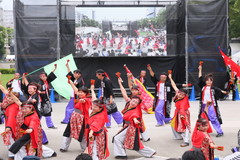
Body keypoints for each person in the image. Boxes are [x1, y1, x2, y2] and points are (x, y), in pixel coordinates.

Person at [113, 77, 156, 159]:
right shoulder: (130, 101)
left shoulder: (139, 100)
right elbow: (124, 93)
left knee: (130, 141)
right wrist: (120, 83)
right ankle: (150, 152)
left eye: (135, 90)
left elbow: (134, 115)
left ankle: (122, 154)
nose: (134, 91)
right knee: (133, 142)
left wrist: (135, 119)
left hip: (134, 122)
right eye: (133, 90)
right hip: (128, 125)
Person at [60, 79, 91, 152]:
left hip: (81, 119)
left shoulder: (87, 99)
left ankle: (85, 148)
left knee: (82, 134)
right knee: (68, 132)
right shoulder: (79, 97)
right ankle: (64, 147)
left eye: (82, 92)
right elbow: (75, 89)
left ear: (86, 93)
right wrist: (71, 82)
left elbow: (86, 100)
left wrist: (83, 100)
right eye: (79, 92)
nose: (80, 93)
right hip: (74, 117)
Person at [198, 62, 227, 137]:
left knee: (213, 118)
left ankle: (219, 131)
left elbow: (218, 90)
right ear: (205, 81)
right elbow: (200, 78)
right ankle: (203, 131)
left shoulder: (213, 88)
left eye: (210, 80)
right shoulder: (203, 87)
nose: (209, 82)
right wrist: (200, 69)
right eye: (207, 80)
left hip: (211, 105)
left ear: (212, 81)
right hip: (204, 105)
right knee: (203, 118)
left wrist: (222, 91)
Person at [85, 85, 109, 160]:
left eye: (95, 107)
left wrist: (91, 133)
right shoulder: (97, 110)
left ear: (100, 108)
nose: (93, 107)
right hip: (94, 133)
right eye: (93, 106)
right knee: (93, 149)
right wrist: (92, 90)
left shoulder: (100, 116)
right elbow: (94, 99)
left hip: (97, 134)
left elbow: (95, 124)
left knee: (95, 150)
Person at [0, 84, 23, 160]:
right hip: (11, 123)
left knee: (10, 139)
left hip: (12, 125)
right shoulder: (10, 103)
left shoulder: (12, 107)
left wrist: (8, 127)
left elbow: (11, 118)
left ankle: (12, 155)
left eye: (9, 97)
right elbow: (3, 89)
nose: (6, 98)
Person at [168, 73, 191, 147]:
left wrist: (182, 116)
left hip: (183, 113)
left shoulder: (183, 101)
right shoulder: (178, 94)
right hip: (177, 113)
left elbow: (182, 108)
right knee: (173, 124)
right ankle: (178, 136)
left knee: (184, 126)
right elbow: (174, 86)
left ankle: (186, 141)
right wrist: (170, 78)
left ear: (185, 95)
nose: (180, 95)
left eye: (182, 95)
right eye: (179, 94)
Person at [38, 64, 57, 129]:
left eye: (44, 76)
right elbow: (37, 91)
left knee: (47, 112)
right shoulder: (40, 83)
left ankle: (50, 125)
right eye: (41, 76)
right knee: (41, 112)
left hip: (47, 100)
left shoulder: (46, 81)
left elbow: (50, 75)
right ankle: (36, 123)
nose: (43, 77)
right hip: (42, 100)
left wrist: (55, 68)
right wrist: (40, 92)